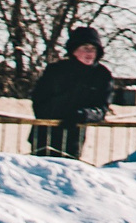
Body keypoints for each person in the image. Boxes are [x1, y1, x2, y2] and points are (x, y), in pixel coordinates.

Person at [27, 27, 114, 160]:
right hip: (45, 133)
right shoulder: (56, 70)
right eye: (85, 47)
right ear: (74, 50)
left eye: (94, 48)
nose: (90, 52)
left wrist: (84, 114)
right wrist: (58, 113)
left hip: (73, 136)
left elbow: (102, 108)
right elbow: (39, 99)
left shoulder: (102, 75)